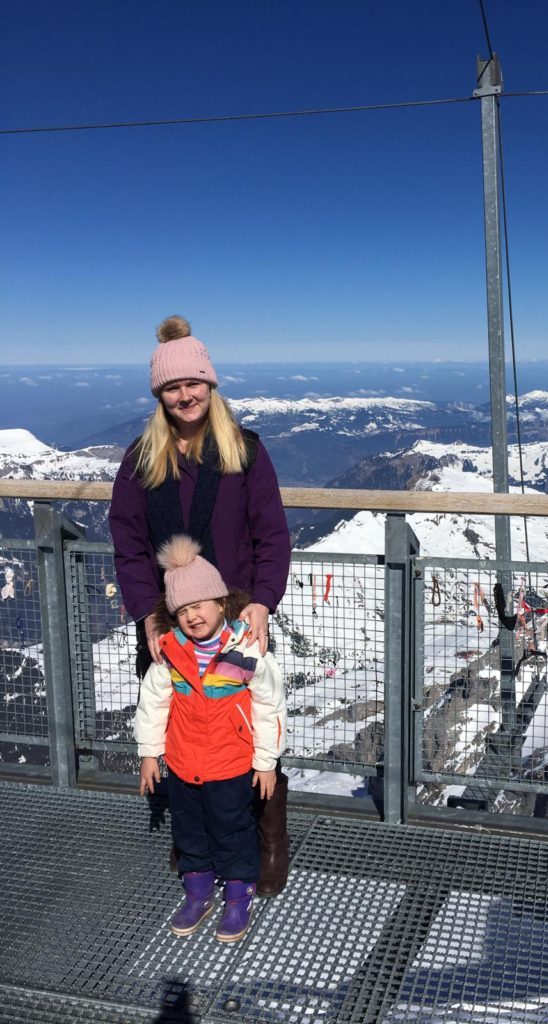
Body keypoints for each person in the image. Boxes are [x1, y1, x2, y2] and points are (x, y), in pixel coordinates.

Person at [109, 315, 292, 896]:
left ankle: (265, 839)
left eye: (194, 383)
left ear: (211, 385)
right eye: (172, 386)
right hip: (170, 620)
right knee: (177, 724)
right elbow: (128, 543)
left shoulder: (245, 452)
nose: (185, 395)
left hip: (239, 617)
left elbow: (272, 534)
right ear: (159, 394)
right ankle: (195, 843)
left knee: (249, 716)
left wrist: (263, 602)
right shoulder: (142, 460)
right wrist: (147, 614)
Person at [135, 535, 286, 942]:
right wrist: (151, 754)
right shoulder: (170, 653)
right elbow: (153, 703)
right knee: (189, 829)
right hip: (183, 763)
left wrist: (266, 761)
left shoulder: (246, 649)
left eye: (199, 605)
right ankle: (197, 889)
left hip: (231, 762)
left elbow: (269, 706)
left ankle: (239, 893)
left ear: (221, 603)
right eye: (182, 610)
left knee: (232, 827)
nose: (192, 616)